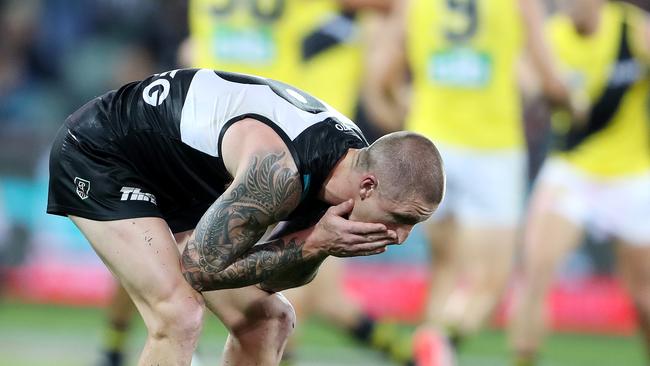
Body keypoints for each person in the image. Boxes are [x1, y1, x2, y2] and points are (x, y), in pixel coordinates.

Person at [47, 68, 445, 366]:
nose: (401, 236)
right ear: (369, 187)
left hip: (178, 174)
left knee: (271, 319)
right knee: (179, 312)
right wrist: (315, 243)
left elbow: (273, 278)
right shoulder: (280, 171)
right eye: (400, 218)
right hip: (103, 153)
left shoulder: (349, 170)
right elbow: (200, 270)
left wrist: (318, 248)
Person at [365, 0, 574, 364]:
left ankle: (429, 353)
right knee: (490, 280)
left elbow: (382, 76)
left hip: (431, 145)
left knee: (445, 266)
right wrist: (573, 104)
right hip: (491, 150)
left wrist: (409, 111)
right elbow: (551, 81)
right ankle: (438, 340)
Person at [508, 1, 650, 365]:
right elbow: (523, 76)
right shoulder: (549, 38)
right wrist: (542, 87)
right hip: (571, 172)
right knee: (535, 276)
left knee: (645, 298)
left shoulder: (632, 29)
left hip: (631, 177)